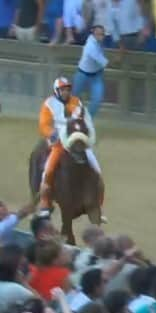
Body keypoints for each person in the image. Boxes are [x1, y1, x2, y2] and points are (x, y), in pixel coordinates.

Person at [38, 76, 106, 219]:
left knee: (97, 171)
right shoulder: (48, 103)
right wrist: (51, 133)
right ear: (56, 91)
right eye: (63, 90)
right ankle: (45, 202)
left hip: (77, 139)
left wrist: (86, 134)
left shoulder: (77, 102)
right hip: (59, 142)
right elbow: (44, 124)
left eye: (68, 89)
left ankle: (98, 206)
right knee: (48, 170)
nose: (66, 92)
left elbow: (85, 120)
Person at [72, 25, 108, 118]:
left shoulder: (99, 43)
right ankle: (70, 118)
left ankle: (87, 119)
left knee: (97, 99)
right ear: (93, 34)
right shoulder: (90, 45)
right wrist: (110, 61)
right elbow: (99, 59)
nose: (101, 36)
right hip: (82, 74)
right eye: (98, 34)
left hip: (96, 75)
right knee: (74, 98)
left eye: (102, 34)